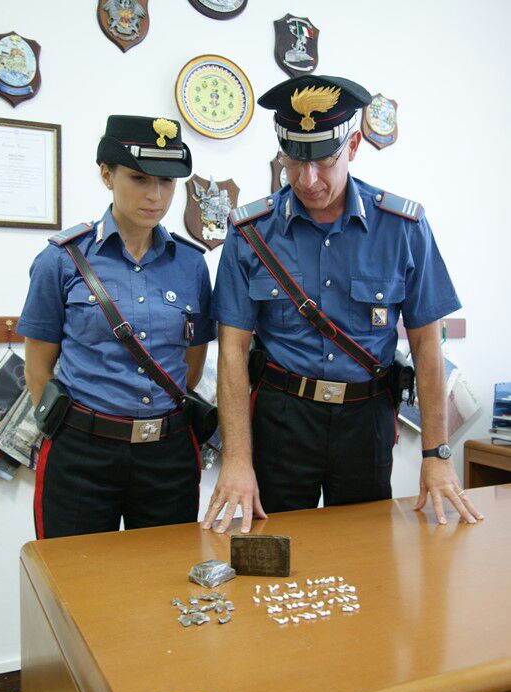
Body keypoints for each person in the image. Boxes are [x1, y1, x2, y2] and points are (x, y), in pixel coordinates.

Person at [203, 74, 482, 534]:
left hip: (366, 419)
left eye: (324, 161)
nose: (307, 180)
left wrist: (436, 454)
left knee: (365, 556)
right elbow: (232, 350)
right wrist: (236, 459)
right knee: (272, 553)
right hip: (281, 418)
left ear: (352, 146)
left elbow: (428, 345)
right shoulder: (250, 232)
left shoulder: (402, 228)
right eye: (293, 162)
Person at [18, 115, 216, 539]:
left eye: (166, 182)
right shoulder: (62, 260)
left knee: (166, 580)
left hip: (168, 454)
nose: (155, 195)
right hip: (82, 453)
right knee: (76, 580)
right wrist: (77, 430)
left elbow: (192, 366)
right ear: (107, 175)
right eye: (140, 178)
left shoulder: (191, 264)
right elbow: (37, 368)